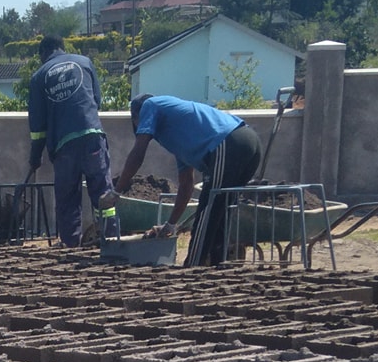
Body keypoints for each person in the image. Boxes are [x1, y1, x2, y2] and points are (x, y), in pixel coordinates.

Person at [113, 94, 261, 265]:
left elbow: (138, 153)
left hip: (228, 142)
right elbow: (186, 185)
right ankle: (216, 265)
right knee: (221, 212)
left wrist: (116, 190)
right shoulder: (178, 136)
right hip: (249, 142)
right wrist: (170, 225)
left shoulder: (150, 105)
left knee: (209, 209)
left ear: (137, 118)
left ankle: (193, 265)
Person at [25, 36, 117, 247]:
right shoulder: (84, 62)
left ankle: (69, 244)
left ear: (43, 53)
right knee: (103, 191)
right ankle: (111, 239)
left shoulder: (39, 77)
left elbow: (38, 126)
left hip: (64, 146)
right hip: (93, 137)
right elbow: (96, 100)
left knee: (67, 199)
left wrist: (35, 156)